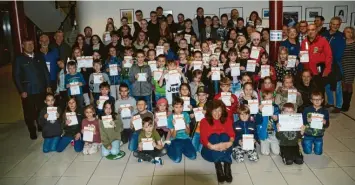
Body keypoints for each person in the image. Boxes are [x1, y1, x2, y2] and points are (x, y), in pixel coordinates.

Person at [13, 38, 51, 139]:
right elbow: (16, 76)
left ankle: (40, 125)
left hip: (40, 89)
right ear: (23, 46)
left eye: (32, 44)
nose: (30, 46)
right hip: (27, 91)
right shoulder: (19, 59)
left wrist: (48, 85)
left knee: (41, 109)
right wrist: (21, 91)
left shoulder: (39, 56)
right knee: (29, 112)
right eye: (28, 44)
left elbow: (45, 72)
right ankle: (32, 130)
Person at [200, 100, 234, 183]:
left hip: (225, 147)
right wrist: (214, 147)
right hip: (209, 151)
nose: (217, 113)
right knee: (214, 136)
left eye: (219, 111)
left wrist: (230, 143)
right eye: (215, 110)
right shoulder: (204, 121)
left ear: (222, 111)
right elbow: (204, 139)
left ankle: (227, 166)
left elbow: (232, 134)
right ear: (210, 111)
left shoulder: (227, 120)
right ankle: (219, 167)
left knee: (224, 136)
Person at [300, 24, 332, 95]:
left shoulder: (323, 41)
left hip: (319, 72)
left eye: (313, 30)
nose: (310, 32)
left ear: (316, 31)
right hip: (308, 72)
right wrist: (300, 57)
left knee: (320, 92)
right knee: (309, 92)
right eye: (308, 30)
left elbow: (329, 56)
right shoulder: (304, 42)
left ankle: (321, 106)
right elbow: (303, 58)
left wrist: (327, 70)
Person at [322, 17, 346, 113]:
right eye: (333, 24)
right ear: (330, 24)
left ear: (339, 25)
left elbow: (339, 53)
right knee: (327, 84)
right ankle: (331, 102)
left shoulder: (341, 36)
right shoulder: (324, 34)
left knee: (337, 85)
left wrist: (329, 59)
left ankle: (339, 105)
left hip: (335, 64)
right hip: (324, 64)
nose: (335, 26)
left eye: (337, 24)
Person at [166, 98, 196, 163]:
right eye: (176, 107)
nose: (179, 109)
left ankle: (180, 149)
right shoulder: (170, 118)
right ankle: (167, 146)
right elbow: (173, 136)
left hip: (186, 138)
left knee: (193, 156)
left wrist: (185, 123)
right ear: (173, 107)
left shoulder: (186, 115)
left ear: (183, 107)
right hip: (176, 139)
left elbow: (188, 133)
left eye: (180, 107)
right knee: (177, 160)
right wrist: (175, 126)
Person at [302, 91, 330, 155]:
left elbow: (327, 124)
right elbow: (302, 121)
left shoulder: (325, 111)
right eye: (315, 99)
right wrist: (307, 121)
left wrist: (325, 122)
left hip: (319, 135)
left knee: (318, 152)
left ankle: (316, 147)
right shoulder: (307, 110)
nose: (317, 101)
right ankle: (304, 142)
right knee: (307, 152)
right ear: (311, 100)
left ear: (322, 100)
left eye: (319, 99)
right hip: (308, 134)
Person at [257, 91, 280, 156]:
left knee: (276, 152)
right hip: (264, 133)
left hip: (273, 133)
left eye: (270, 99)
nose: (268, 101)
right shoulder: (260, 107)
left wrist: (276, 119)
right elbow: (257, 121)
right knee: (265, 152)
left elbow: (279, 119)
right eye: (266, 99)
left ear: (273, 99)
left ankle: (273, 141)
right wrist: (260, 112)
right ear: (263, 100)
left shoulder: (275, 107)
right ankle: (263, 141)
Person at [341, 27, 355, 112]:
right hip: (342, 65)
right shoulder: (342, 42)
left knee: (348, 84)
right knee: (343, 84)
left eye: (350, 32)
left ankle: (347, 104)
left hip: (351, 66)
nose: (348, 34)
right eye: (346, 32)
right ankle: (344, 102)